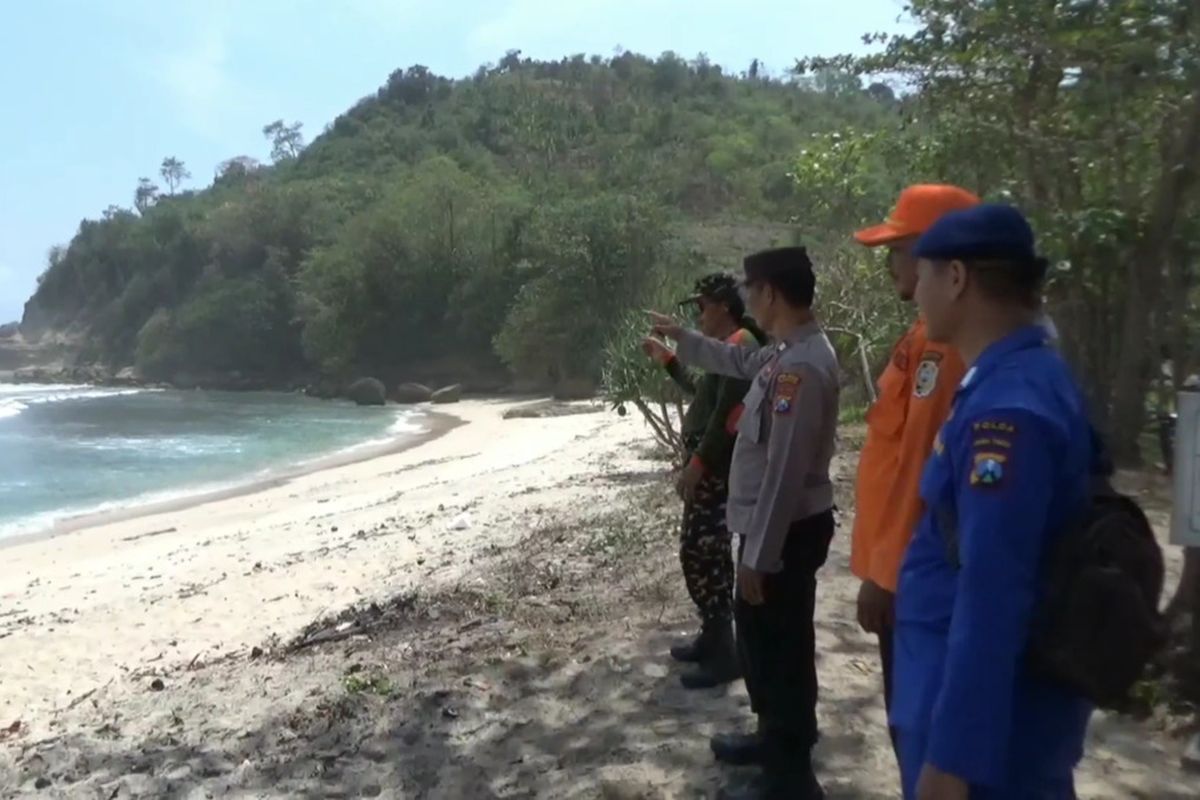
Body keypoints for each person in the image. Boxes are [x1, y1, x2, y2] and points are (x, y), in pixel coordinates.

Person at [893, 204, 1094, 799]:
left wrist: (952, 761)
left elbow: (993, 592)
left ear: (956, 278)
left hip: (991, 749)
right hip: (988, 720)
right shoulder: (1014, 379)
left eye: (922, 274)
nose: (916, 293)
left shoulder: (1009, 410)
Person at [646, 246, 838, 800]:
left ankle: (790, 771)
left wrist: (760, 553)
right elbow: (731, 362)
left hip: (784, 532)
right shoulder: (783, 353)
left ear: (771, 293)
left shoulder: (802, 366)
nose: (747, 300)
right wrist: (682, 337)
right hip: (769, 528)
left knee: (783, 647)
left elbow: (784, 473)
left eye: (752, 290)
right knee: (761, 640)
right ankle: (770, 735)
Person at [849, 184, 979, 748]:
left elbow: (919, 468)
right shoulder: (923, 337)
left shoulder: (944, 352)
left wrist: (885, 575)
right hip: (909, 573)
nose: (889, 265)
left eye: (898, 249)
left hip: (914, 579)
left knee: (920, 730)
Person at [645, 273, 768, 689]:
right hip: (709, 463)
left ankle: (724, 651)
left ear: (722, 306)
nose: (697, 314)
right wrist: (669, 362)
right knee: (698, 551)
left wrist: (698, 463)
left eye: (701, 306)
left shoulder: (741, 346)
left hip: (717, 466)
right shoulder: (728, 350)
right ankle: (712, 637)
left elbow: (726, 417)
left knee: (705, 552)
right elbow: (705, 394)